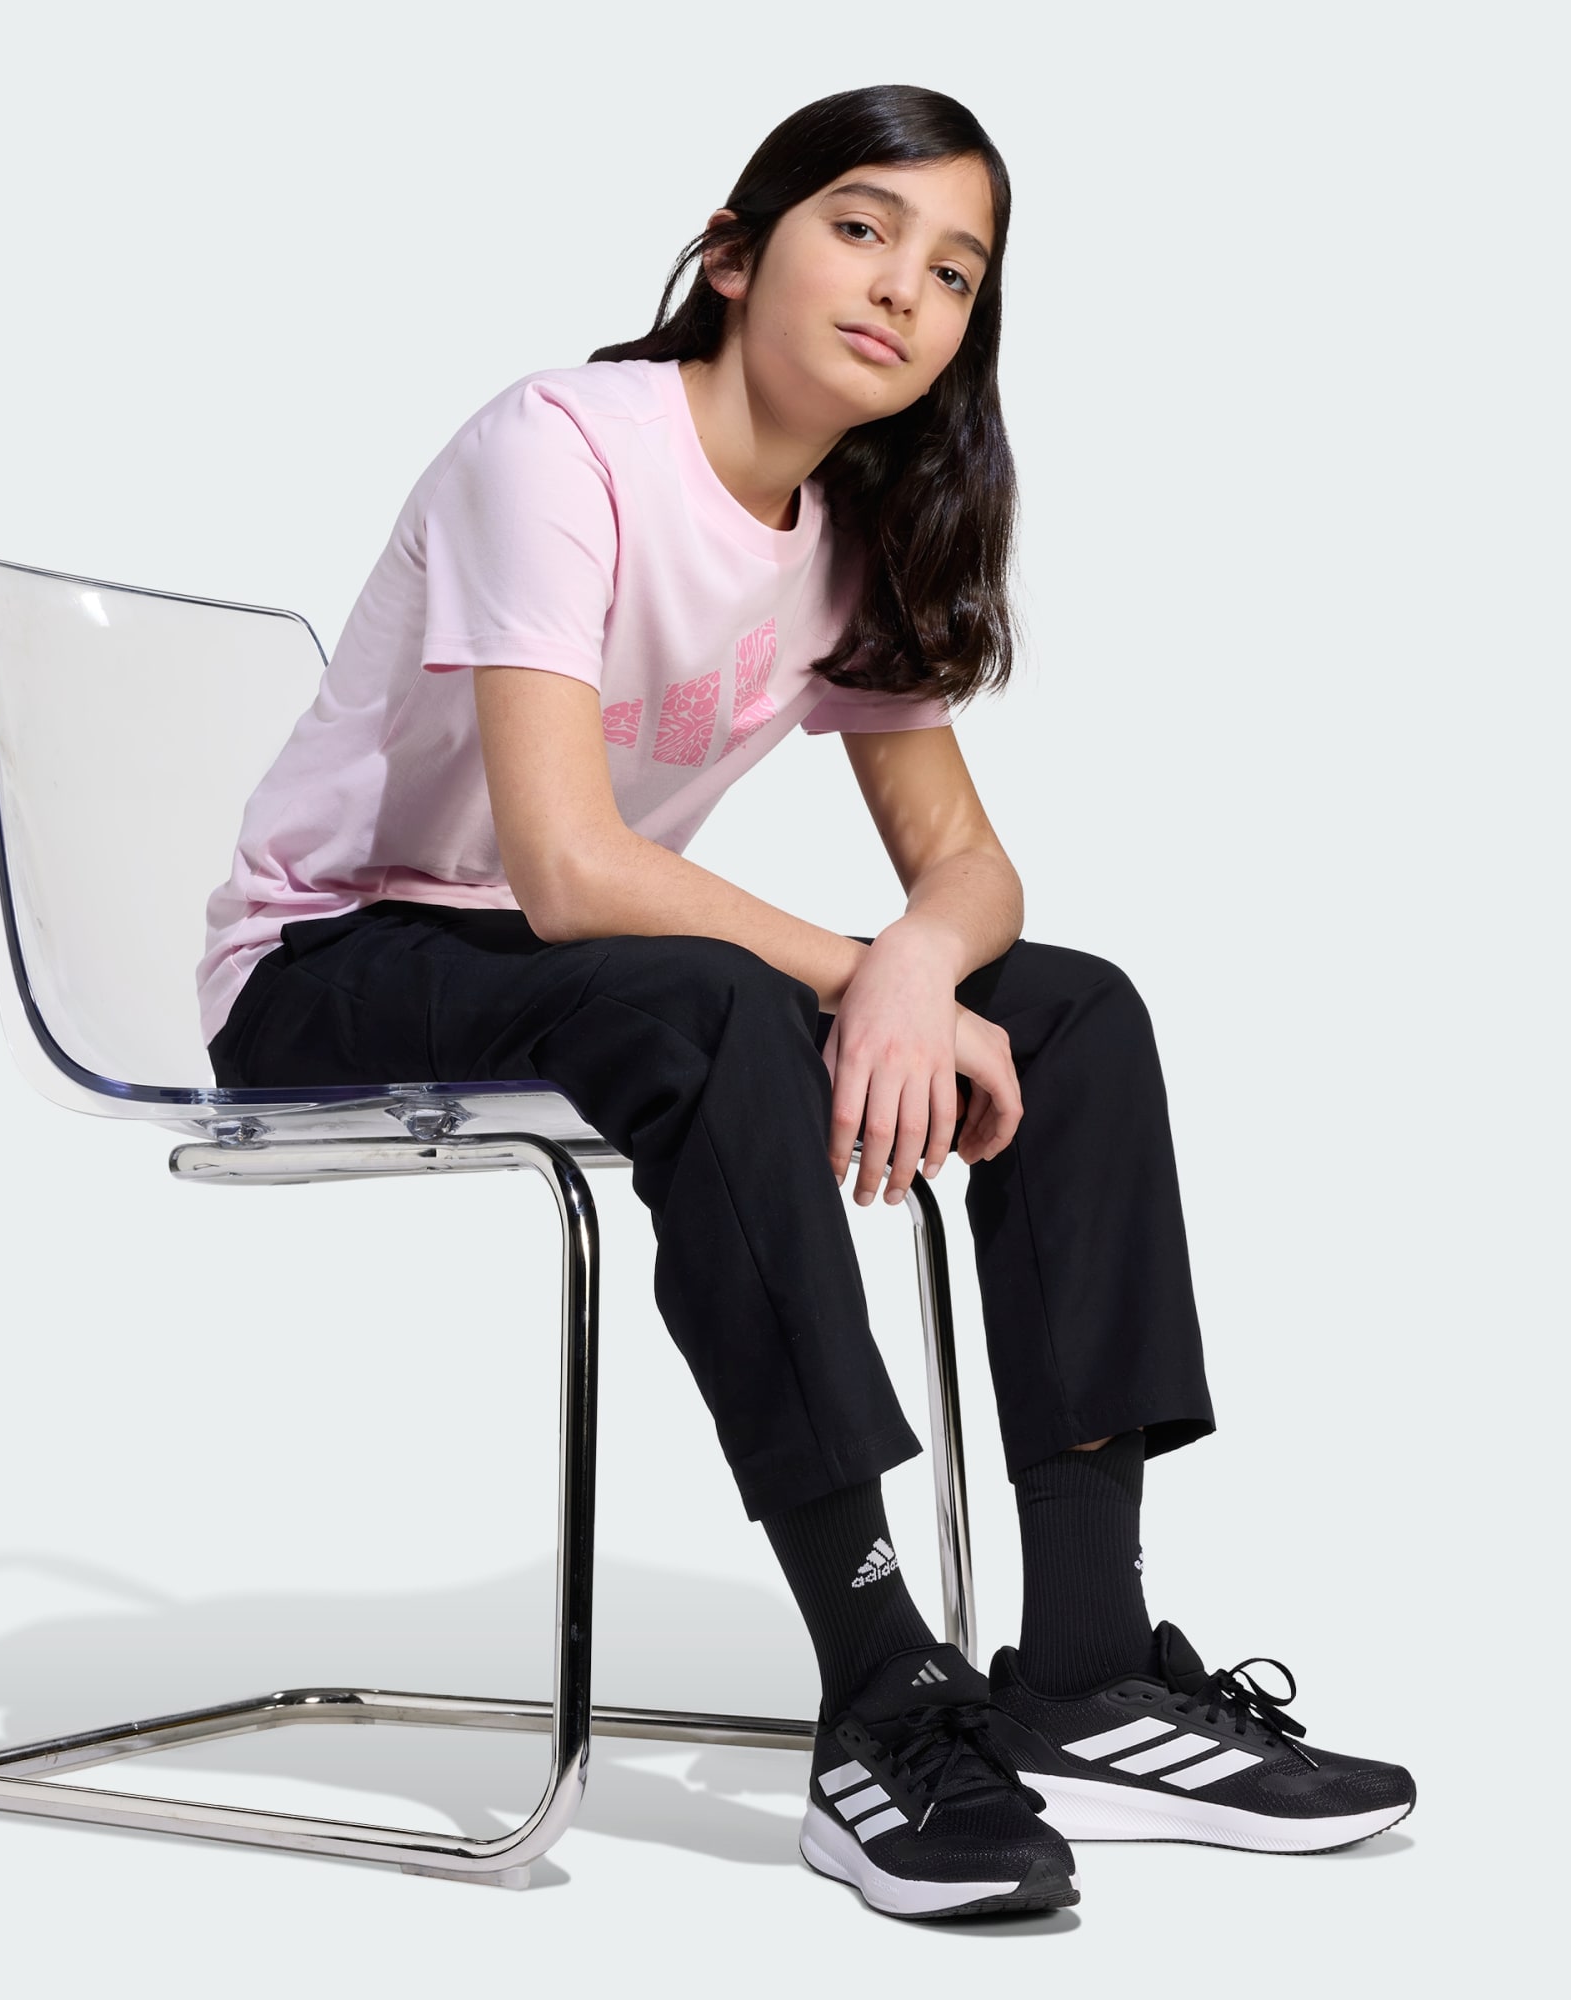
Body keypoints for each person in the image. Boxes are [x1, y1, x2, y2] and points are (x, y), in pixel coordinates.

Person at [195, 83, 1413, 1922]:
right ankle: (880, 1692)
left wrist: (917, 965)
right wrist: (863, 972)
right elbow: (569, 872)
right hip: (329, 962)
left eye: (956, 271)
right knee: (706, 1008)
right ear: (734, 252)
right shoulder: (560, 446)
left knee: (1067, 1013)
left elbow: (971, 868)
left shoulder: (853, 528)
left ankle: (1087, 1670)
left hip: (573, 976)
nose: (905, 287)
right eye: (861, 228)